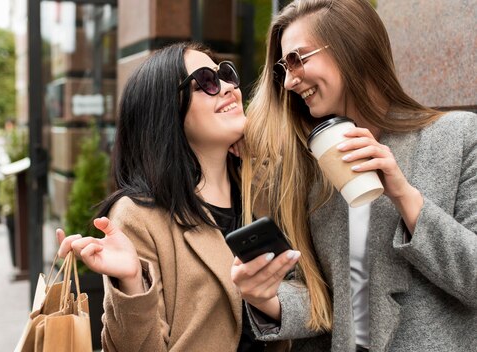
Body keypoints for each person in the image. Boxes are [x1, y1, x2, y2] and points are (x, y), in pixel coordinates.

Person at [233, 0, 477, 351]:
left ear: (351, 49)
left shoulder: (458, 137)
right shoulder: (312, 168)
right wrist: (264, 298)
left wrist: (405, 196)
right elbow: (328, 302)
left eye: (297, 59)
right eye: (283, 68)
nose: (288, 81)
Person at [56, 42, 297, 351]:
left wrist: (266, 150)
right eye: (206, 81)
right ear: (166, 111)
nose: (227, 88)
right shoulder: (137, 216)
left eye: (226, 74)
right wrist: (132, 282)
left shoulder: (262, 188)